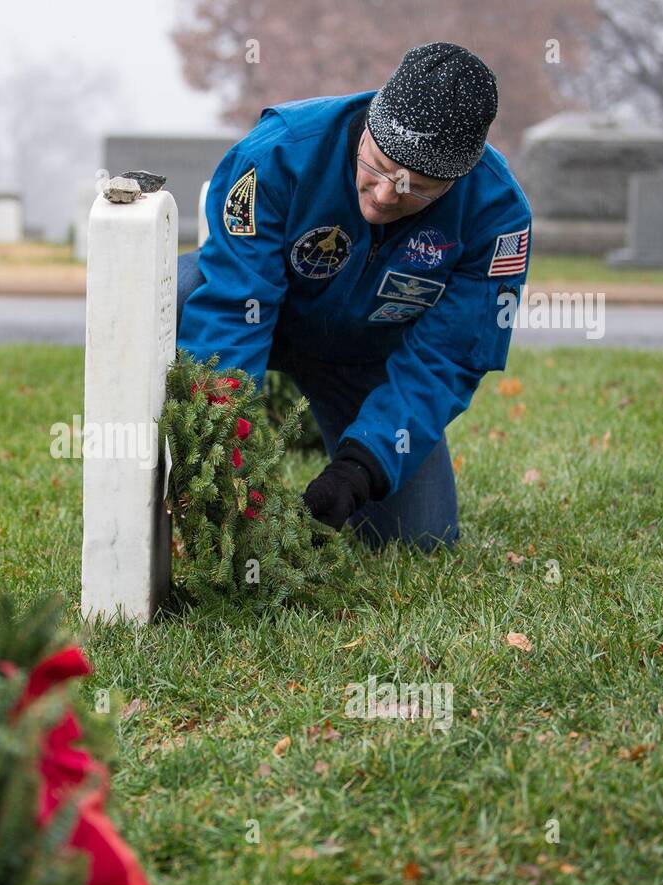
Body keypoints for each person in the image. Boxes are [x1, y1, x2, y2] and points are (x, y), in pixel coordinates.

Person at [177, 42, 532, 551]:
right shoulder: (278, 155)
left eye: (416, 186)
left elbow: (447, 357)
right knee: (181, 291)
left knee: (419, 538)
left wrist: (358, 469)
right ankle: (161, 468)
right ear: (369, 124)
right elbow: (236, 308)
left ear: (459, 177)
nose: (386, 195)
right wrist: (222, 452)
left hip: (364, 353)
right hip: (267, 317)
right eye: (381, 165)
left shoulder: (496, 218)